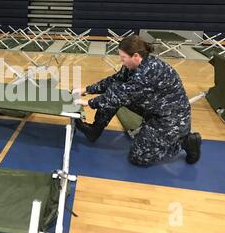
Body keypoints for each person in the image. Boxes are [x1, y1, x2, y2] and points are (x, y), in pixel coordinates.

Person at [73, 35, 201, 167]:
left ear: (135, 56)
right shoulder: (132, 66)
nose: (122, 62)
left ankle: (185, 142)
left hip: (171, 118)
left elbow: (121, 95)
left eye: (123, 58)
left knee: (138, 157)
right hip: (154, 108)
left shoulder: (148, 72)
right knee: (115, 87)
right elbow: (114, 81)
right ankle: (95, 130)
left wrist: (89, 103)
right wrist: (86, 89)